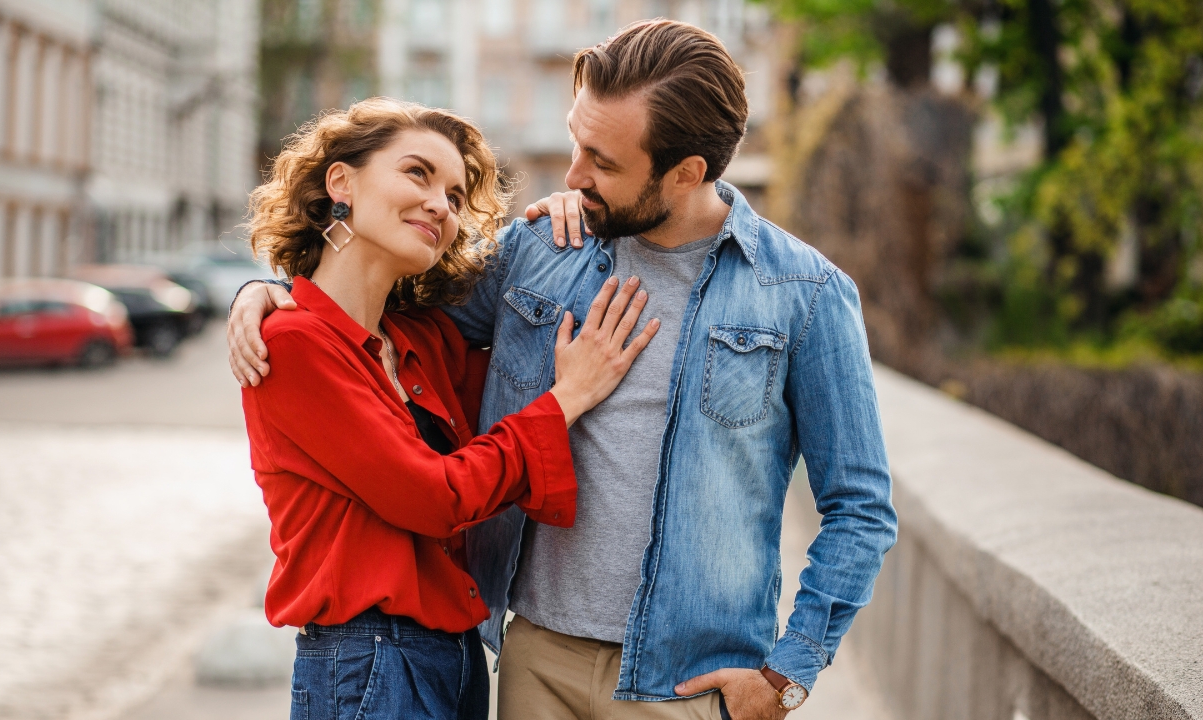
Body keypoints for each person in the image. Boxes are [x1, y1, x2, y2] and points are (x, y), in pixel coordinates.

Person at [231, 20, 898, 720]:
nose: (574, 175)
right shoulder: (543, 248)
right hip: (532, 662)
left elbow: (860, 506)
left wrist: (788, 673)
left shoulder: (804, 295)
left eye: (602, 162)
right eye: (578, 142)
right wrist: (268, 291)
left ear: (686, 172)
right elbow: (383, 304)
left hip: (684, 685)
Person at [239, 97, 659, 720]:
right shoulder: (292, 344)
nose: (442, 204)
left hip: (457, 660)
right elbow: (433, 497)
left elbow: (519, 382)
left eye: (458, 197)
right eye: (418, 173)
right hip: (367, 662)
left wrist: (577, 212)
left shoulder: (422, 341)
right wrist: (566, 398)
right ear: (341, 181)